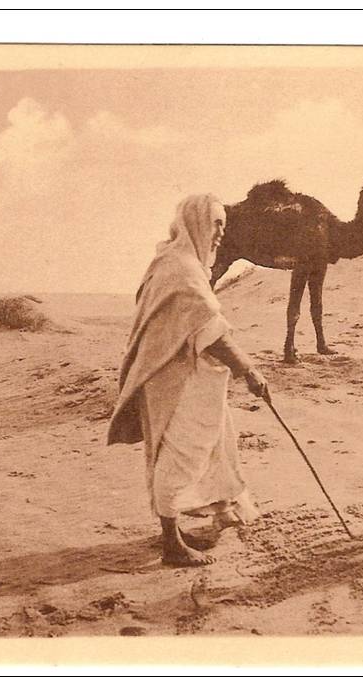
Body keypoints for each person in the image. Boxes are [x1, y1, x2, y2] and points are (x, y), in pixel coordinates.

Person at [107, 194, 268, 567]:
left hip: (188, 374)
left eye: (223, 226)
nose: (220, 235)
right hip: (175, 381)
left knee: (220, 439)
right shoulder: (180, 270)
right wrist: (249, 371)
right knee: (181, 453)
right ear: (196, 222)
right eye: (216, 225)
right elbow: (211, 331)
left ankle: (223, 510)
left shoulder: (175, 263)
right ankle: (171, 543)